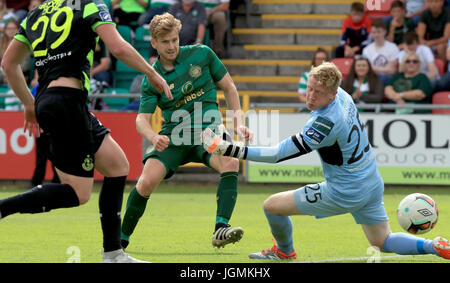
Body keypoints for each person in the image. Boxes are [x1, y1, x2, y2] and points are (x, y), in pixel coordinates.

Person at [201, 62, 450, 261]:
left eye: (317, 93)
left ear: (331, 94)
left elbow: (277, 154)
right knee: (382, 241)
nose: (310, 96)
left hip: (345, 191)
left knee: (271, 206)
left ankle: (285, 251)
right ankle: (435, 246)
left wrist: (229, 149)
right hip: (371, 181)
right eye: (309, 88)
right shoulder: (342, 95)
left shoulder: (324, 124)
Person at [0, 0, 172, 263]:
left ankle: (113, 254)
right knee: (78, 193)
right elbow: (117, 47)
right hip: (67, 101)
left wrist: (28, 104)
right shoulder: (88, 5)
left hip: (54, 100)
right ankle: (3, 208)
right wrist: (152, 72)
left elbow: (8, 63)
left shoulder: (34, 14)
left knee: (117, 166)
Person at [120, 12, 252, 250]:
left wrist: (238, 122)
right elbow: (141, 119)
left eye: (174, 40)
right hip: (174, 137)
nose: (171, 46)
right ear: (154, 43)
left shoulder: (202, 54)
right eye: (165, 42)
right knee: (145, 183)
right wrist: (153, 136)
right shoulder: (152, 77)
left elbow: (230, 88)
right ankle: (119, 240)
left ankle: (220, 229)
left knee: (231, 162)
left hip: (209, 131)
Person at [362, 18, 400, 85]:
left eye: (379, 32)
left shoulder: (393, 47)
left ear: (385, 32)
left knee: (381, 79)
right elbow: (366, 70)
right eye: (374, 32)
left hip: (387, 79)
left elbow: (392, 70)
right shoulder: (366, 50)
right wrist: (385, 69)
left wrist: (373, 68)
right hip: (371, 78)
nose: (376, 35)